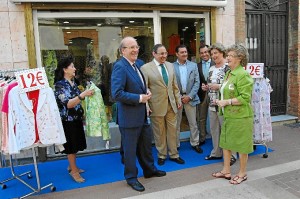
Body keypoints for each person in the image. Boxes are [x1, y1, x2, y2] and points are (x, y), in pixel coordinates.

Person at [111, 37, 166, 192]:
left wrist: (145, 92)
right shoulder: (120, 67)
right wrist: (140, 98)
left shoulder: (137, 64)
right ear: (123, 51)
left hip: (142, 115)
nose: (135, 50)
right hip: (129, 118)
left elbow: (139, 86)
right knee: (130, 151)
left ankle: (149, 170)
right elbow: (116, 94)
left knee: (145, 146)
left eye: (136, 47)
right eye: (131, 47)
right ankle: (131, 177)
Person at [212, 44, 254, 185]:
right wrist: (220, 101)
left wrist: (227, 102)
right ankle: (226, 170)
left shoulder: (243, 74)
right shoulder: (229, 72)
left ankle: (242, 173)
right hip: (229, 116)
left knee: (242, 146)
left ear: (240, 58)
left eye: (230, 55)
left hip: (241, 117)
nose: (227, 57)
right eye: (227, 55)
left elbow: (245, 98)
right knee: (226, 144)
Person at [141, 44, 184, 166]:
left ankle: (174, 154)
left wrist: (178, 99)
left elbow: (174, 86)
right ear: (154, 54)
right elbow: (144, 89)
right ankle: (162, 155)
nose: (164, 56)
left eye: (165, 53)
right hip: (156, 106)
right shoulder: (145, 68)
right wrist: (147, 106)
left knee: (173, 131)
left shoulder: (170, 66)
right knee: (159, 132)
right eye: (161, 53)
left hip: (172, 104)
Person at [54, 55, 94, 183]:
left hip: (76, 118)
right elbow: (68, 103)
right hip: (67, 120)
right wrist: (83, 95)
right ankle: (74, 171)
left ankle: (72, 166)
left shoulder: (73, 82)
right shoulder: (60, 85)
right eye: (72, 66)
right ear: (65, 69)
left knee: (75, 144)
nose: (75, 68)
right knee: (71, 146)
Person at [173, 45, 203, 153]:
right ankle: (175, 145)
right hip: (178, 99)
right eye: (182, 52)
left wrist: (189, 96)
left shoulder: (193, 65)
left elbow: (197, 82)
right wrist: (178, 97)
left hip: (191, 98)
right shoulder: (171, 66)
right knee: (177, 123)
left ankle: (195, 143)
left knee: (193, 123)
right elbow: (171, 84)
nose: (185, 54)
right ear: (177, 54)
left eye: (185, 52)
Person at [204, 43, 229, 161]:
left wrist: (218, 86)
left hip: (224, 105)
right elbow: (209, 83)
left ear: (222, 53)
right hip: (212, 103)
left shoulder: (228, 67)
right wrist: (206, 87)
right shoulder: (211, 68)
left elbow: (232, 85)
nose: (213, 56)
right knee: (214, 130)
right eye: (212, 54)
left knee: (226, 130)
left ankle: (231, 155)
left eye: (216, 53)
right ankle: (216, 152)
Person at [197, 45, 215, 146]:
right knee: (201, 117)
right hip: (202, 94)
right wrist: (201, 87)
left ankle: (216, 137)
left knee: (216, 116)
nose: (204, 54)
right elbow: (196, 80)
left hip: (214, 94)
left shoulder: (215, 64)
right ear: (200, 54)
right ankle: (202, 137)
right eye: (202, 53)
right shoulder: (197, 66)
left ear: (209, 52)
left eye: (206, 52)